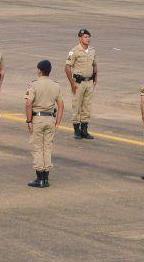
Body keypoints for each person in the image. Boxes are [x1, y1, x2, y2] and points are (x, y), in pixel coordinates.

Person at [24, 60, 64, 188]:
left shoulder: (34, 85)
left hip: (38, 119)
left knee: (37, 148)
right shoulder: (56, 85)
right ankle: (46, 178)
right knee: (47, 148)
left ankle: (39, 177)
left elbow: (28, 104)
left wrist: (29, 120)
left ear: (40, 70)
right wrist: (58, 121)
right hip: (50, 119)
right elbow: (61, 105)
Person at [65, 28, 98, 140]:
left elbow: (95, 65)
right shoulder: (74, 51)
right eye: (85, 37)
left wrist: (95, 78)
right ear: (80, 38)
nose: (88, 39)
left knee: (87, 106)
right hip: (78, 83)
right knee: (76, 106)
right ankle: (76, 130)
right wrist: (72, 83)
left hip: (89, 82)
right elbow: (67, 67)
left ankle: (84, 130)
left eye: (89, 37)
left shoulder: (92, 50)